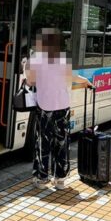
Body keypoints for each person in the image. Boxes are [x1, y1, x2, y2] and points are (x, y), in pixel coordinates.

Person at [26, 28, 92, 190]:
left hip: (45, 107)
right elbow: (73, 78)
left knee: (43, 142)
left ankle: (42, 179)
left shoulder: (35, 59)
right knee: (62, 142)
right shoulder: (62, 59)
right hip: (63, 107)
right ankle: (60, 179)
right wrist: (87, 82)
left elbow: (30, 82)